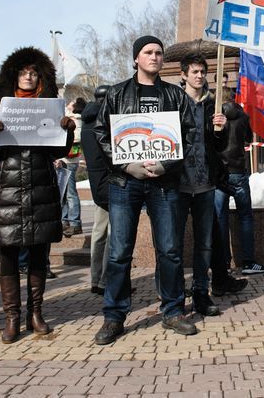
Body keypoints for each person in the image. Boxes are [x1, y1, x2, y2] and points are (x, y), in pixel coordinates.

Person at [93, 35, 197, 345]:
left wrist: (167, 164)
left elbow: (189, 136)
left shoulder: (175, 95)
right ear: (136, 58)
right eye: (148, 52)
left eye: (159, 52)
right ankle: (114, 316)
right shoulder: (116, 94)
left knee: (170, 250)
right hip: (125, 183)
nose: (154, 57)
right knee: (119, 252)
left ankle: (173, 311)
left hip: (164, 183)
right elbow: (102, 134)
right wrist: (126, 165)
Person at [0, 47, 75, 344]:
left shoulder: (50, 108)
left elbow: (58, 151)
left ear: (41, 77)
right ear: (13, 76)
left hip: (41, 185)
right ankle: (11, 317)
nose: (29, 77)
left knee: (38, 254)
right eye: (23, 72)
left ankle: (36, 313)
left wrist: (68, 131)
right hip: (7, 187)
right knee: (8, 254)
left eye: (33, 72)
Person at [177, 53, 228, 316]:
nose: (199, 76)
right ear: (184, 74)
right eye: (194, 72)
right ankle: (174, 296)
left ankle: (201, 293)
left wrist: (222, 129)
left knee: (205, 243)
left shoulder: (212, 105)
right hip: (177, 183)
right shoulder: (174, 101)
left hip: (206, 182)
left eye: (202, 72)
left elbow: (219, 146)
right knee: (172, 244)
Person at [215, 99, 264, 276]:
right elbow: (247, 139)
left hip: (219, 174)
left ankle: (223, 263)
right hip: (238, 172)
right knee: (245, 217)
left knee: (220, 219)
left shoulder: (214, 116)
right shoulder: (242, 117)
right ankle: (248, 262)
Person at [81, 85, 111, 295]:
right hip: (112, 182)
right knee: (113, 234)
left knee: (99, 231)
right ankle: (106, 281)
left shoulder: (86, 121)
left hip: (96, 182)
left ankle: (95, 278)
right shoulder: (105, 121)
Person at [58, 97, 86, 237]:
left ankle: (74, 223)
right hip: (64, 159)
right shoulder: (69, 117)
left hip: (69, 159)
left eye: (71, 102)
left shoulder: (76, 119)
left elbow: (76, 138)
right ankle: (65, 221)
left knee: (70, 192)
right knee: (63, 192)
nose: (68, 103)